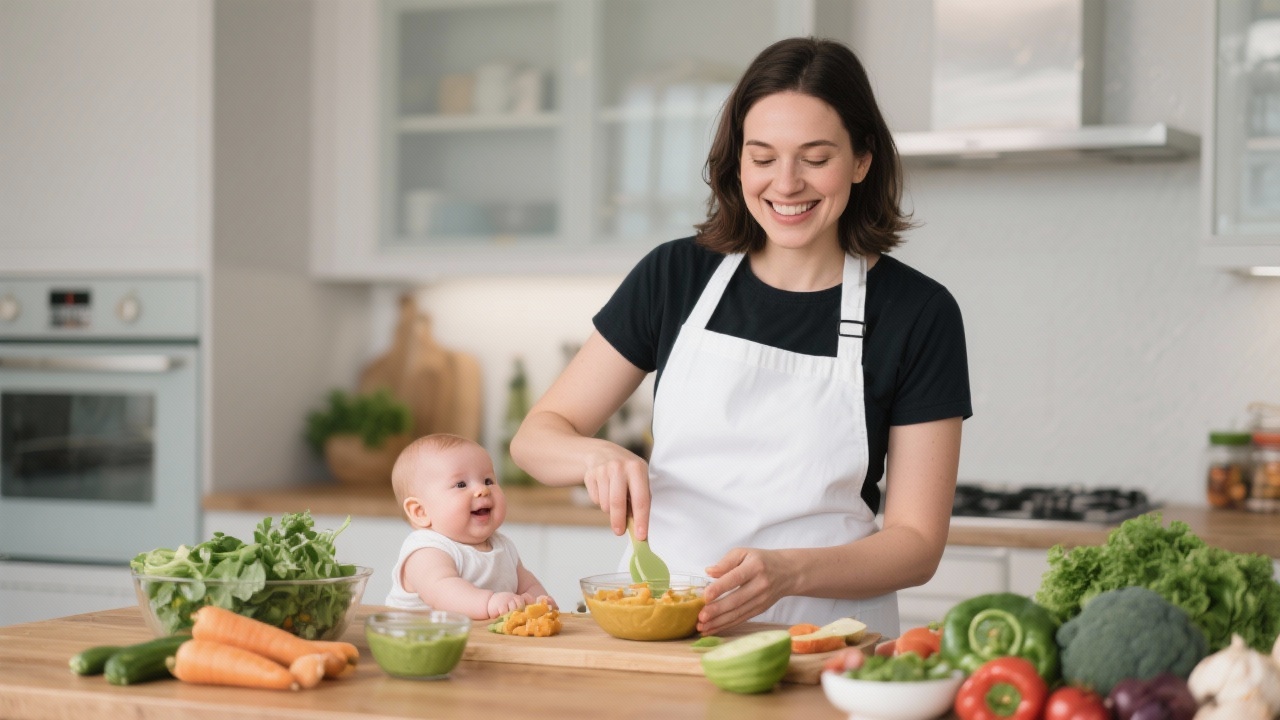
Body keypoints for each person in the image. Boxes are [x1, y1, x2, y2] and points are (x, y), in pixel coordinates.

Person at [511, 37, 970, 637]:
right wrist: (595, 453)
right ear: (737, 162)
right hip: (665, 626)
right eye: (762, 157)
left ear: (861, 161)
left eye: (815, 157)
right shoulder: (676, 275)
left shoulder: (917, 311)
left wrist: (789, 573)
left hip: (823, 641)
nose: (786, 183)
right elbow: (536, 438)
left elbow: (916, 545)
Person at [384, 433, 556, 620]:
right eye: (461, 484)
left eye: (488, 481)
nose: (482, 490)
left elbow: (527, 584)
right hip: (417, 643)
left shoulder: (502, 545)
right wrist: (489, 603)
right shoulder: (427, 549)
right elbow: (442, 592)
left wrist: (539, 600)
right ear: (420, 512)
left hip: (478, 642)